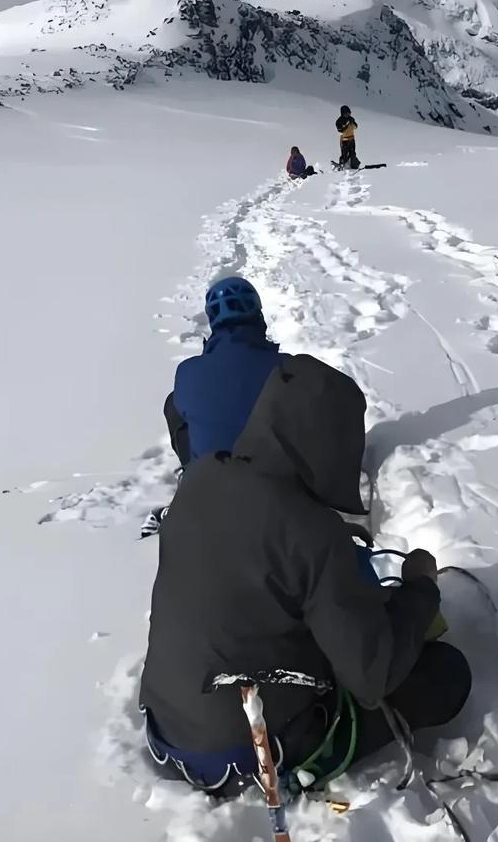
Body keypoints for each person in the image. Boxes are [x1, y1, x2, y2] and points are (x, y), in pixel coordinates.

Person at [140, 354, 471, 794]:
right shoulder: (312, 532)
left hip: (168, 722)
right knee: (446, 674)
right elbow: (373, 675)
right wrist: (421, 589)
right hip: (253, 749)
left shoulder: (198, 482)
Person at [164, 277, 284, 468]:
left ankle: (191, 471)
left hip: (208, 484)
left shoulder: (188, 371)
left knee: (175, 403)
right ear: (258, 317)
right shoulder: (289, 368)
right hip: (282, 484)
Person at [335, 104, 360, 170]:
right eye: (347, 113)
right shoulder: (339, 121)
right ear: (343, 113)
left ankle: (354, 166)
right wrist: (347, 123)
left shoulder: (351, 119)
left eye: (349, 113)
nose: (348, 115)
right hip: (344, 140)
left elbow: (356, 127)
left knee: (353, 153)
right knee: (344, 155)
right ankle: (342, 165)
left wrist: (353, 122)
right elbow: (340, 130)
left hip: (352, 139)